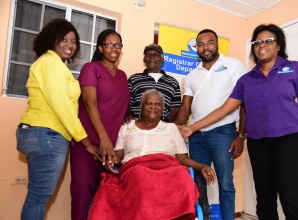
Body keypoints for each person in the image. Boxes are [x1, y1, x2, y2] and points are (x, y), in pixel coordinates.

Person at [178, 24, 298, 220]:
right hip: (259, 143)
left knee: (291, 198)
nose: (262, 45)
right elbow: (225, 109)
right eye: (257, 42)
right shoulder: (247, 79)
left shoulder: (295, 69)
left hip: (290, 141)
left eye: (268, 41)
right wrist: (191, 128)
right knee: (264, 200)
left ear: (278, 45)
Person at [15, 18, 101, 220]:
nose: (70, 45)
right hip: (47, 134)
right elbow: (62, 107)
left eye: (73, 41)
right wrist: (85, 141)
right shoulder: (51, 64)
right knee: (39, 197)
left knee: (37, 195)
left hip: (41, 133)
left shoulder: (53, 65)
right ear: (52, 39)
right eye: (64, 39)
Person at [87, 89, 216, 220]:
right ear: (141, 106)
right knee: (140, 176)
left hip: (169, 169)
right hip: (136, 168)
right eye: (148, 103)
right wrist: (111, 160)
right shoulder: (127, 128)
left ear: (162, 108)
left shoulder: (171, 128)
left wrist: (201, 167)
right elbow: (119, 155)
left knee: (183, 176)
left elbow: (182, 158)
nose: (153, 107)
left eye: (158, 104)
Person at [173, 29, 247, 220]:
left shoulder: (233, 65)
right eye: (201, 44)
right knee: (198, 183)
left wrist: (240, 136)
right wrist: (169, 128)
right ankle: (203, 217)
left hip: (224, 133)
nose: (206, 47)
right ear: (196, 48)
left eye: (210, 42)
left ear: (217, 45)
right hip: (196, 137)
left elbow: (244, 102)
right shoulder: (191, 76)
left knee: (225, 183)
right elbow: (185, 108)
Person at [70, 29, 130, 220]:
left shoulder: (122, 75)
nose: (114, 49)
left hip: (111, 147)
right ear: (100, 48)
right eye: (109, 44)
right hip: (87, 143)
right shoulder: (91, 68)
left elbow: (117, 105)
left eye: (118, 45)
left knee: (103, 194)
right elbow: (90, 104)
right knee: (81, 192)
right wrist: (103, 140)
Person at [127, 43, 181, 122]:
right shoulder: (134, 79)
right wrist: (130, 117)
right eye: (148, 55)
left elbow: (174, 109)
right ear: (144, 59)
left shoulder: (173, 82)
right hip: (137, 127)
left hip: (162, 129)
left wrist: (167, 125)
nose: (152, 56)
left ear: (162, 60)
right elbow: (126, 102)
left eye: (156, 55)